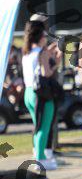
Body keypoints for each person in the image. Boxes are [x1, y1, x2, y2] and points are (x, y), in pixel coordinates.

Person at [22, 21, 61, 170]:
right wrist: (57, 62)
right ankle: (40, 159)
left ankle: (38, 154)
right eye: (45, 35)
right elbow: (47, 73)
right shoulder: (42, 53)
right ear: (40, 36)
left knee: (37, 126)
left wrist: (49, 52)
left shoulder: (27, 53)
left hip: (28, 92)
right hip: (41, 94)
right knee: (44, 127)